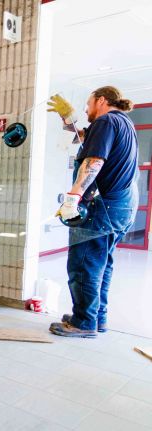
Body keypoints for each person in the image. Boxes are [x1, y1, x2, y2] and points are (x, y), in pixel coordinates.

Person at [48, 87, 138, 338]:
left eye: (88, 105)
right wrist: (68, 120)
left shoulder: (106, 121)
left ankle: (83, 323)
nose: (86, 110)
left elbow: (94, 161)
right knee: (101, 264)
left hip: (104, 208)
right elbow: (81, 138)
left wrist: (73, 198)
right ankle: (95, 317)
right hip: (122, 207)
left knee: (84, 264)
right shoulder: (123, 123)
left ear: (101, 100)